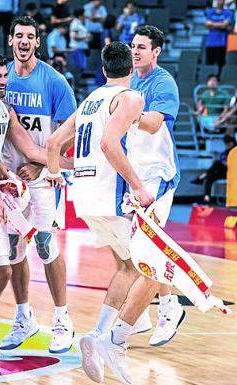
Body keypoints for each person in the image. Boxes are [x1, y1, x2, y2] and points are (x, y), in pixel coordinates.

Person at [45, 40, 153, 385]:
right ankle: (113, 340)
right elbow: (108, 143)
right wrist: (137, 185)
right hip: (112, 195)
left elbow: (52, 144)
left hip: (85, 196)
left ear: (104, 70)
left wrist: (55, 173)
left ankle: (101, 335)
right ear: (132, 69)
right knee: (156, 272)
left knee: (126, 267)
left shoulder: (91, 98)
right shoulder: (131, 98)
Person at [0, 15, 77, 355]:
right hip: (9, 181)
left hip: (41, 176)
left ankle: (62, 319)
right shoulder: (2, 79)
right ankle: (23, 317)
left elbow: (68, 132)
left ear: (38, 42)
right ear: (11, 41)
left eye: (30, 36)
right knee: (14, 250)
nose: (24, 41)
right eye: (19, 36)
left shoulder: (55, 81)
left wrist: (38, 162)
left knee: (45, 245)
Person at [129, 25, 185, 347]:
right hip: (135, 174)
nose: (135, 51)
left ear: (156, 51)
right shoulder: (131, 80)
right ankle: (141, 315)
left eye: (142, 47)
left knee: (150, 246)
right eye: (133, 46)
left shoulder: (163, 83)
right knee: (129, 248)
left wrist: (125, 113)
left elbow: (151, 124)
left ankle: (170, 307)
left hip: (159, 176)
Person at [192, 135, 235, 203]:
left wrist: (227, 163)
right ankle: (206, 198)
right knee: (210, 178)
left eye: (228, 143)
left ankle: (201, 177)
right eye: (226, 143)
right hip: (225, 172)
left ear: (232, 142)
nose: (227, 145)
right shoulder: (226, 152)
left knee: (217, 163)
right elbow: (223, 159)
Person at [204, 0, 234, 71]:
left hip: (222, 43)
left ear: (224, 2)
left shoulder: (228, 13)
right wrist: (220, 24)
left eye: (221, 0)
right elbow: (207, 24)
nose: (219, 2)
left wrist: (213, 24)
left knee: (221, 65)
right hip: (210, 43)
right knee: (209, 64)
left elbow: (225, 25)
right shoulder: (210, 12)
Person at [69, 8, 90, 73]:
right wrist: (86, 36)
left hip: (82, 49)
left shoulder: (80, 23)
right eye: (84, 14)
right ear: (80, 15)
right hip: (77, 49)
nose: (85, 15)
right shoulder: (75, 23)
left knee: (82, 69)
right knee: (78, 69)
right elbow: (74, 36)